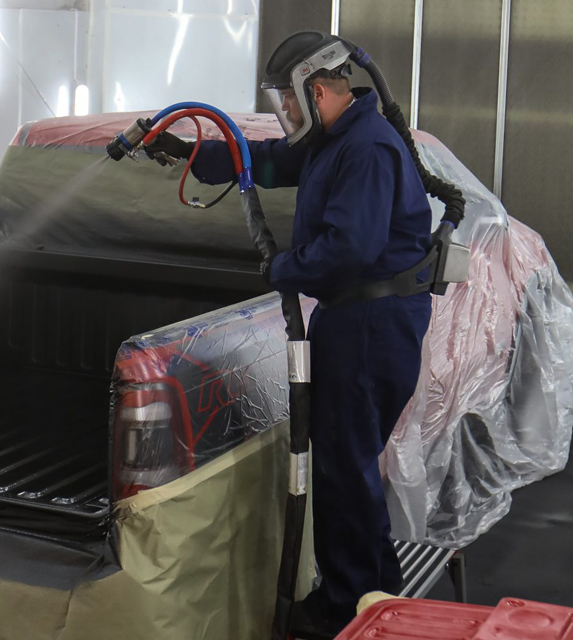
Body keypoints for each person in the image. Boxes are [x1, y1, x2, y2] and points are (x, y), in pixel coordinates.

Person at [146, 31, 433, 636]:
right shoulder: (335, 137)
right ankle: (377, 597)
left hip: (369, 324)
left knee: (341, 467)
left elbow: (349, 247)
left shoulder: (369, 147)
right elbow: (269, 162)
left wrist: (282, 269)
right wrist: (191, 151)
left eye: (294, 103)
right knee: (350, 465)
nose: (290, 115)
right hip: (355, 318)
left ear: (322, 89)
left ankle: (343, 609)